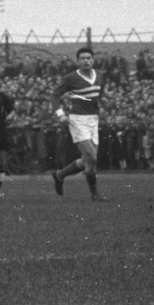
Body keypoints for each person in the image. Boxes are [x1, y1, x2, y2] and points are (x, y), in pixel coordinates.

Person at [51, 47, 107, 200]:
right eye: (82, 58)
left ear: (93, 60)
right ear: (78, 61)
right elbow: (54, 95)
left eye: (88, 58)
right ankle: (94, 194)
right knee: (92, 157)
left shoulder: (100, 76)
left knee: (87, 161)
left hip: (93, 120)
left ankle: (59, 175)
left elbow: (98, 95)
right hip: (78, 120)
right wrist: (61, 114)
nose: (86, 61)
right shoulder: (71, 78)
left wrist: (100, 106)